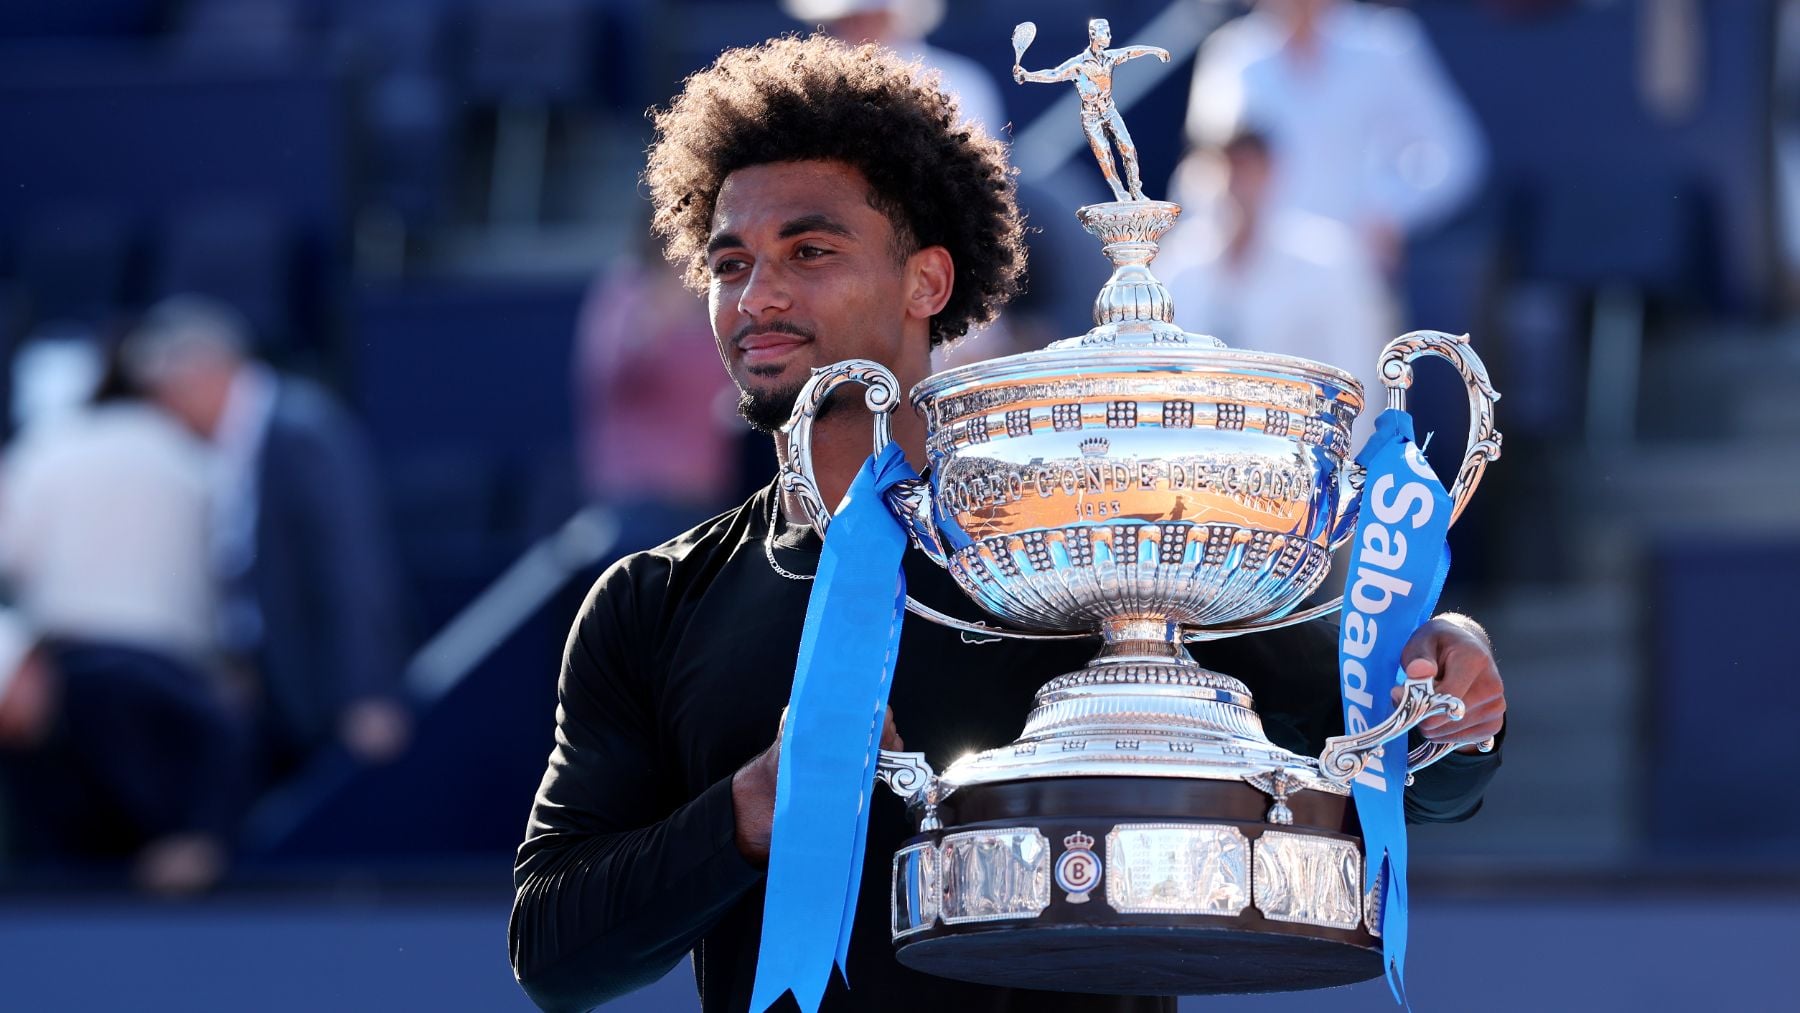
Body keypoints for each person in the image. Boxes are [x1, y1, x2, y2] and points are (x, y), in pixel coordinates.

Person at [509, 35, 1507, 1013]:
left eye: (809, 251)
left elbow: (1413, 779)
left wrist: (1447, 688)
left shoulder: (1113, 539)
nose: (757, 296)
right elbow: (554, 951)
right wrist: (750, 811)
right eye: (730, 263)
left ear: (927, 281)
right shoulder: (651, 600)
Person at [119, 296, 411, 786]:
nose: (164, 414)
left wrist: (368, 692)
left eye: (168, 394)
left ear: (207, 374)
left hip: (324, 694)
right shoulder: (238, 439)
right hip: (274, 691)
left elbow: (353, 565)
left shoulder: (302, 432)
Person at [1186, 0, 1487, 272]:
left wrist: (1391, 213)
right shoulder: (1229, 54)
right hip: (1260, 276)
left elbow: (1456, 154)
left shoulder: (1385, 43)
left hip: (1357, 269)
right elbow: (1204, 168)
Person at [1163, 128, 1391, 449]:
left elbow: (1358, 380)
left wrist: (1343, 475)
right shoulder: (1175, 269)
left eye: (1246, 168)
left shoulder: (1331, 261)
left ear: (1271, 172)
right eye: (1224, 166)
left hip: (1304, 469)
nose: (1233, 184)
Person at [784, 0, 1007, 139]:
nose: (855, 26)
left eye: (868, 16)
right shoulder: (817, 81)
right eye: (846, 19)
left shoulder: (961, 81)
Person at [1014, 18, 1170, 203]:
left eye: (1110, 33)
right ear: (1094, 35)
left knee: (1128, 149)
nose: (1110, 37)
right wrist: (1028, 76)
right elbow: (1054, 74)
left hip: (1110, 111)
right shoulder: (1078, 65)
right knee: (1105, 156)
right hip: (1091, 117)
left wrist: (1154, 50)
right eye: (1106, 33)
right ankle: (1120, 191)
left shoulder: (1110, 57)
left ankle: (1136, 190)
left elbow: (1130, 51)